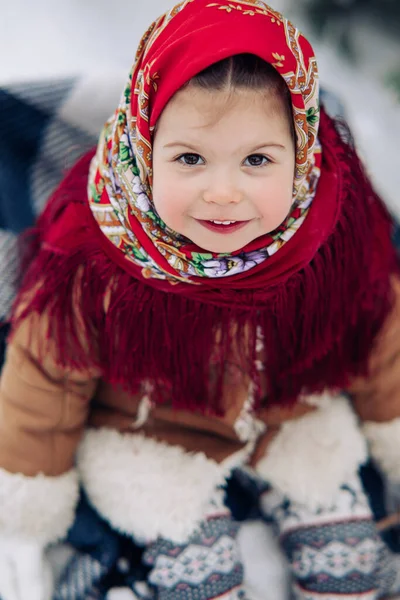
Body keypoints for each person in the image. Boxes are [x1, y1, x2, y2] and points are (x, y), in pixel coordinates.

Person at [0, 0, 400, 598]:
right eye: (190, 158)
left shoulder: (334, 227)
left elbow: (380, 331)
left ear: (302, 155)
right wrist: (29, 491)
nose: (223, 193)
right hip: (151, 430)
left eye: (258, 160)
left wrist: (392, 424)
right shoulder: (96, 251)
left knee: (351, 566)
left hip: (291, 413)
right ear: (144, 146)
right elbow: (47, 376)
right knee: (199, 581)